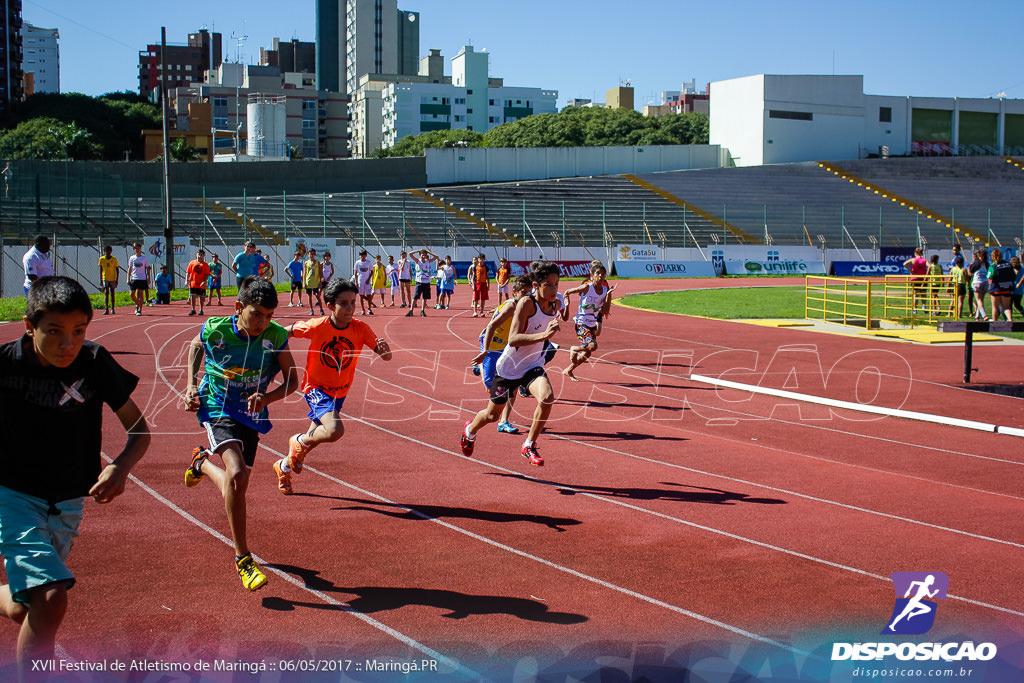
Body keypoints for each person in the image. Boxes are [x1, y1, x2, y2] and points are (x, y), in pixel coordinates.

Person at [0, 277, 149, 678]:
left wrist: (119, 466)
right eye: (55, 332)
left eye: (79, 331)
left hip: (67, 498)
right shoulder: (4, 365)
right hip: (12, 494)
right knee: (50, 599)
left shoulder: (95, 362)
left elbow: (140, 430)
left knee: (25, 606)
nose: (68, 344)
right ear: (29, 325)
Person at [182, 276, 298, 591]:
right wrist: (192, 384)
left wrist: (268, 397)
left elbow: (292, 381)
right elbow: (196, 345)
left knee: (238, 484)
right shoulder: (215, 329)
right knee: (237, 475)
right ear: (238, 308)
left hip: (250, 412)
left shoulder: (275, 336)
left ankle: (202, 464)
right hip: (217, 406)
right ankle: (243, 558)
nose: (263, 322)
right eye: (256, 314)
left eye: (269, 315)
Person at [273, 279, 393, 495]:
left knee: (314, 440)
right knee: (334, 430)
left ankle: (283, 467)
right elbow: (284, 331)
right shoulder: (318, 326)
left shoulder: (360, 328)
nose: (350, 308)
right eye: (343, 303)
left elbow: (386, 357)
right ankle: (297, 440)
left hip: (340, 391)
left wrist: (385, 351)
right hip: (316, 387)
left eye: (353, 303)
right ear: (330, 305)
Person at [461, 261, 562, 467]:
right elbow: (514, 338)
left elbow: (560, 314)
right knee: (491, 415)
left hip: (532, 364)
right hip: (509, 367)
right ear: (536, 285)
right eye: (549, 285)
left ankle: (529, 445)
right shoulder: (526, 304)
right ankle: (469, 432)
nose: (554, 289)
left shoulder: (556, 302)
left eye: (556, 284)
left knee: (547, 397)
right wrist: (545, 335)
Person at [470, 274, 533, 435]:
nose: (527, 297)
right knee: (490, 389)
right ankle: (480, 365)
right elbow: (491, 327)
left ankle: (503, 421)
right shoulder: (511, 307)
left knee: (510, 386)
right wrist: (484, 351)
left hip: (507, 348)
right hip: (491, 345)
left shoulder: (527, 306)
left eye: (530, 293)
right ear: (514, 292)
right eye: (524, 293)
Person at [562, 261, 612, 381]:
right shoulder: (587, 287)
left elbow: (605, 311)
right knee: (592, 346)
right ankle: (574, 349)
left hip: (591, 324)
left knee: (588, 352)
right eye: (598, 273)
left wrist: (609, 296)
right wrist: (566, 302)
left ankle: (569, 370)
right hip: (581, 323)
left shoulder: (605, 290)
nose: (600, 276)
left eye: (603, 274)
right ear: (592, 275)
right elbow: (568, 291)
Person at [406, 248, 439, 317]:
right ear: (420, 255)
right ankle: (411, 310)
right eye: (422, 255)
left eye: (424, 255)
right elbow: (410, 254)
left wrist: (429, 252)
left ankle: (422, 311)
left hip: (426, 282)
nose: (423, 256)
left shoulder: (428, 261)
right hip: (419, 282)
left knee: (425, 297)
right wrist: (418, 250)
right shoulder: (418, 261)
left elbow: (436, 257)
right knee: (415, 297)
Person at [987, 247, 1016, 321]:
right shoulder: (1008, 264)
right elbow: (1013, 276)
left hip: (996, 288)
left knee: (995, 307)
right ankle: (1010, 319)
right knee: (1006, 307)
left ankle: (994, 320)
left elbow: (990, 276)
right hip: (1007, 288)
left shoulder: (993, 265)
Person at [126, 242, 151, 316]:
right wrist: (128, 278)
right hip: (134, 278)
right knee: (132, 294)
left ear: (140, 249)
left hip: (142, 278)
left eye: (138, 248)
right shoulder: (132, 258)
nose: (137, 250)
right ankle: (138, 303)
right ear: (133, 249)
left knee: (140, 294)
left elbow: (147, 269)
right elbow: (129, 268)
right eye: (135, 248)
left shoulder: (144, 258)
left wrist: (148, 278)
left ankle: (139, 310)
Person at [186, 249, 211, 316]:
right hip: (193, 283)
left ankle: (201, 309)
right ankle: (193, 309)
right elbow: (188, 272)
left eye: (201, 255)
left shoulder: (205, 265)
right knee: (192, 296)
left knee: (201, 297)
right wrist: (186, 280)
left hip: (201, 284)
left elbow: (207, 274)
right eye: (199, 254)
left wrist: (204, 281)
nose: (200, 256)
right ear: (196, 255)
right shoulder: (192, 263)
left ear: (204, 256)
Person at [903, 247, 928, 312]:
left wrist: (911, 271)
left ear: (915, 253)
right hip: (923, 278)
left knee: (915, 294)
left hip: (915, 278)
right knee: (923, 294)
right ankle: (924, 306)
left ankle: (915, 309)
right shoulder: (924, 260)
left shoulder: (913, 260)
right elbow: (930, 266)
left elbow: (904, 264)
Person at [969, 249, 990, 321]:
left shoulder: (976, 263)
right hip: (985, 282)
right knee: (981, 300)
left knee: (978, 300)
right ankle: (977, 316)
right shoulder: (987, 264)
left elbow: (971, 272)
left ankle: (984, 315)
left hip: (977, 282)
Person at [303, 248, 325, 316]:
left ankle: (321, 309)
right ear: (308, 255)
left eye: (313, 254)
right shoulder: (306, 263)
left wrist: (321, 282)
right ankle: (311, 309)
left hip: (316, 282)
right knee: (309, 296)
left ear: (315, 254)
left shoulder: (318, 263)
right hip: (309, 282)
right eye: (310, 254)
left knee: (317, 296)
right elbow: (304, 273)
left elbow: (320, 272)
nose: (311, 255)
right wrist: (304, 282)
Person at [98, 245, 119, 315]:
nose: (108, 252)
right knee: (106, 293)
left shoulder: (114, 259)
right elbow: (101, 269)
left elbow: (117, 269)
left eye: (109, 251)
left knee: (112, 293)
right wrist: (101, 279)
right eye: (106, 251)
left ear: (111, 251)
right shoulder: (102, 259)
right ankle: (106, 308)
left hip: (112, 278)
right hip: (105, 278)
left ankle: (112, 308)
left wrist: (117, 279)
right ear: (104, 252)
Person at [352, 249, 374, 315]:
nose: (362, 256)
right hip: (360, 281)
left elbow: (372, 271)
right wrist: (356, 281)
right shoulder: (357, 263)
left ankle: (369, 309)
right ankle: (363, 309)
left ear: (366, 255)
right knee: (361, 296)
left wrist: (369, 279)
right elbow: (355, 272)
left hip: (367, 281)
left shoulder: (368, 262)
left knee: (369, 295)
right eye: (361, 255)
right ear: (359, 255)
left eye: (364, 255)